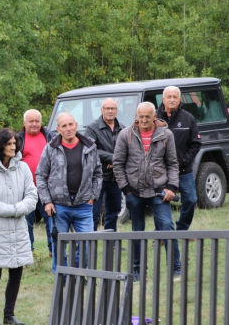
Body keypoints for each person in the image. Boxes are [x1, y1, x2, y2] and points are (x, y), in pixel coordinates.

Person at [113, 102, 181, 282]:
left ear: (154, 116)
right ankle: (138, 271)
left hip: (160, 190)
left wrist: (172, 188)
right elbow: (118, 165)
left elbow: (173, 164)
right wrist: (126, 190)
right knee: (137, 231)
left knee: (166, 226)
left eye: (147, 117)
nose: (143, 120)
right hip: (134, 192)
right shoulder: (125, 135)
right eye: (140, 116)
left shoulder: (166, 134)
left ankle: (176, 268)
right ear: (136, 116)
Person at [0, 128, 37, 325]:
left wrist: (19, 209)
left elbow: (32, 195)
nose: (13, 147)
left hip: (18, 227)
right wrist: (15, 210)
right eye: (9, 144)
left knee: (16, 272)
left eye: (15, 144)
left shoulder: (23, 168)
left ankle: (9, 315)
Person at [36, 113, 102, 273]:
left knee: (87, 245)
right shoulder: (50, 147)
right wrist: (47, 201)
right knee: (59, 245)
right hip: (58, 206)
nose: (68, 129)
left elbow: (98, 173)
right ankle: (63, 278)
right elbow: (40, 175)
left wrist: (93, 196)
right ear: (58, 129)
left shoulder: (89, 146)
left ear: (76, 125)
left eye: (71, 124)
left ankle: (78, 274)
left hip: (84, 205)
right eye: (64, 126)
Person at [156, 86, 201, 231]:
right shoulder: (153, 118)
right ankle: (162, 233)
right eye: (168, 97)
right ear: (162, 99)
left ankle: (181, 229)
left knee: (191, 199)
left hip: (183, 171)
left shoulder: (188, 118)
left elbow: (195, 143)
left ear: (180, 100)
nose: (172, 100)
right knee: (159, 201)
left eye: (175, 97)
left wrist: (184, 161)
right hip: (160, 171)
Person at [85, 98, 126, 232]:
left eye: (112, 108)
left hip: (116, 177)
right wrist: (113, 158)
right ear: (101, 110)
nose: (110, 111)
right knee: (94, 213)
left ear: (116, 110)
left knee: (114, 211)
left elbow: (128, 149)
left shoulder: (123, 128)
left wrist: (116, 162)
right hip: (98, 177)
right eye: (107, 108)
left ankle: (111, 242)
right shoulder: (92, 127)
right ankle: (91, 242)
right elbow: (91, 149)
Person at [18, 109, 54, 255]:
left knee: (50, 220)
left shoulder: (50, 136)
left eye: (37, 121)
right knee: (26, 222)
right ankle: (28, 251)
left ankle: (54, 249)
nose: (34, 124)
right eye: (31, 121)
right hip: (25, 188)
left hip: (47, 187)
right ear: (24, 123)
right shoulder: (18, 139)